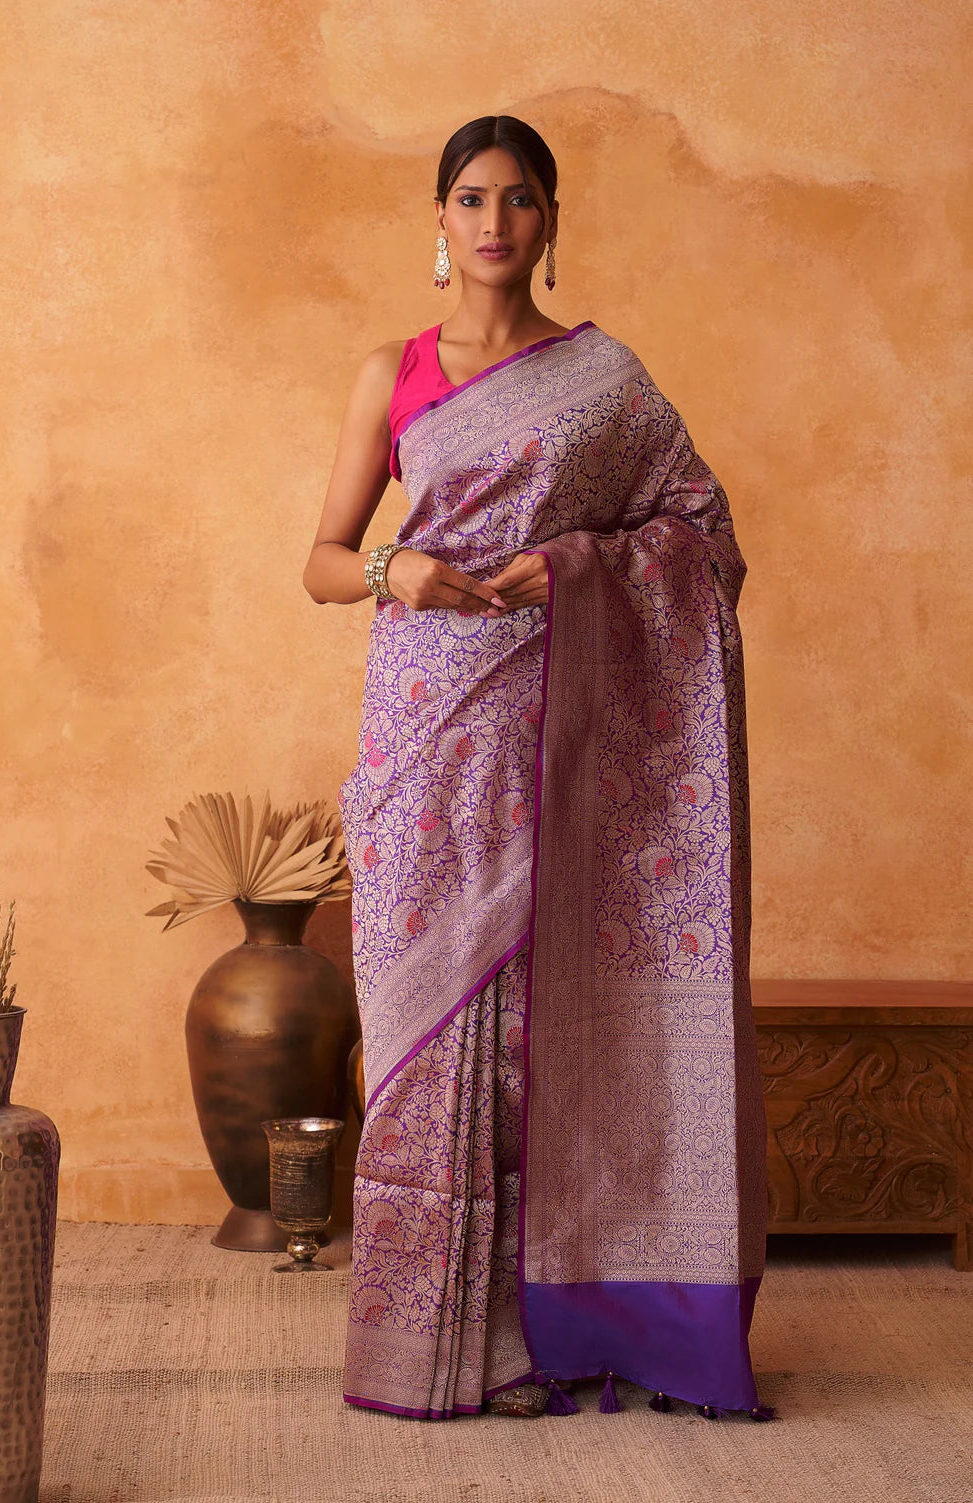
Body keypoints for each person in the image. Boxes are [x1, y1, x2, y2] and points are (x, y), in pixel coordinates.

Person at [302, 113, 775, 1424]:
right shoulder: (392, 370)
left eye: (519, 199)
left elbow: (702, 534)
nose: (494, 221)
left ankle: (541, 1330)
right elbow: (323, 560)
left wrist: (570, 566)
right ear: (438, 222)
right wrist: (396, 567)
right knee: (423, 1015)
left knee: (530, 1025)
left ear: (551, 221)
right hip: (423, 725)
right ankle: (427, 1341)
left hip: (560, 724)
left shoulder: (605, 381)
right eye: (470, 198)